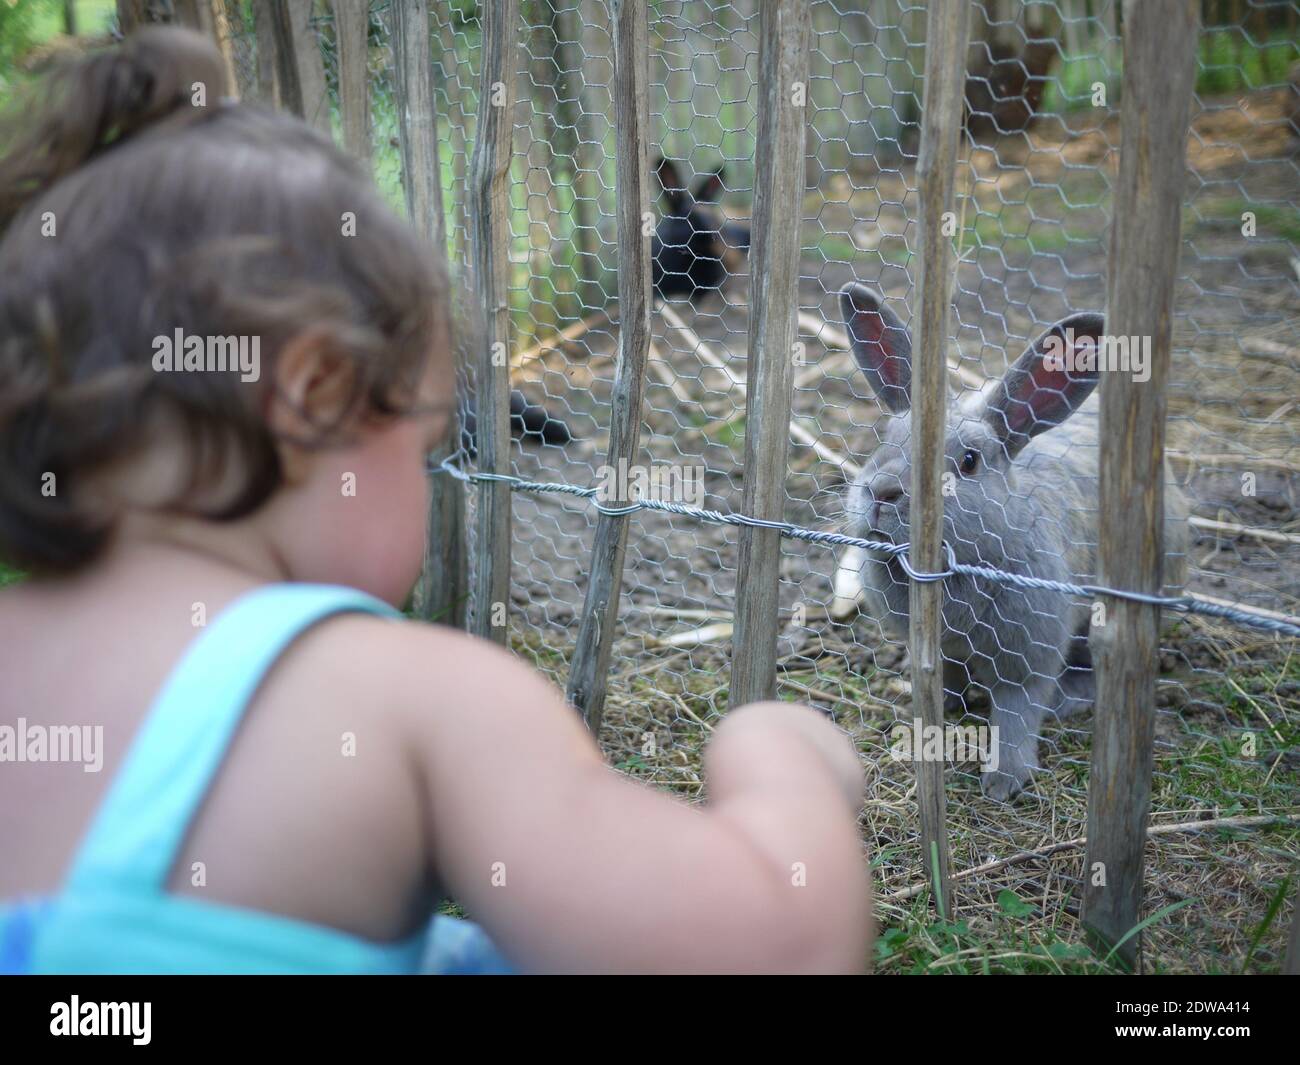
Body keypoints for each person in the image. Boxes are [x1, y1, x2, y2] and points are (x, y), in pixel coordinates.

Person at [0, 27, 871, 974]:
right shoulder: (405, 696)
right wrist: (778, 756)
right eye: (420, 449)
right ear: (316, 396)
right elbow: (773, 946)